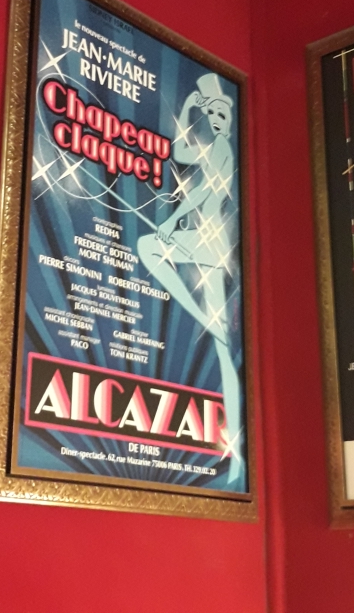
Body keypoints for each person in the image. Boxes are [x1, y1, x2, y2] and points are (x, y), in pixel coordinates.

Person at [138, 72, 243, 485]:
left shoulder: (224, 150)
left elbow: (202, 193)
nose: (216, 120)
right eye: (212, 114)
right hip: (201, 240)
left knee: (149, 246)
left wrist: (173, 220)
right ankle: (235, 453)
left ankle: (234, 452)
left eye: (222, 115)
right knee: (220, 347)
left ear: (228, 122)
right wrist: (187, 108)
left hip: (208, 241)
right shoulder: (210, 145)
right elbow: (180, 151)